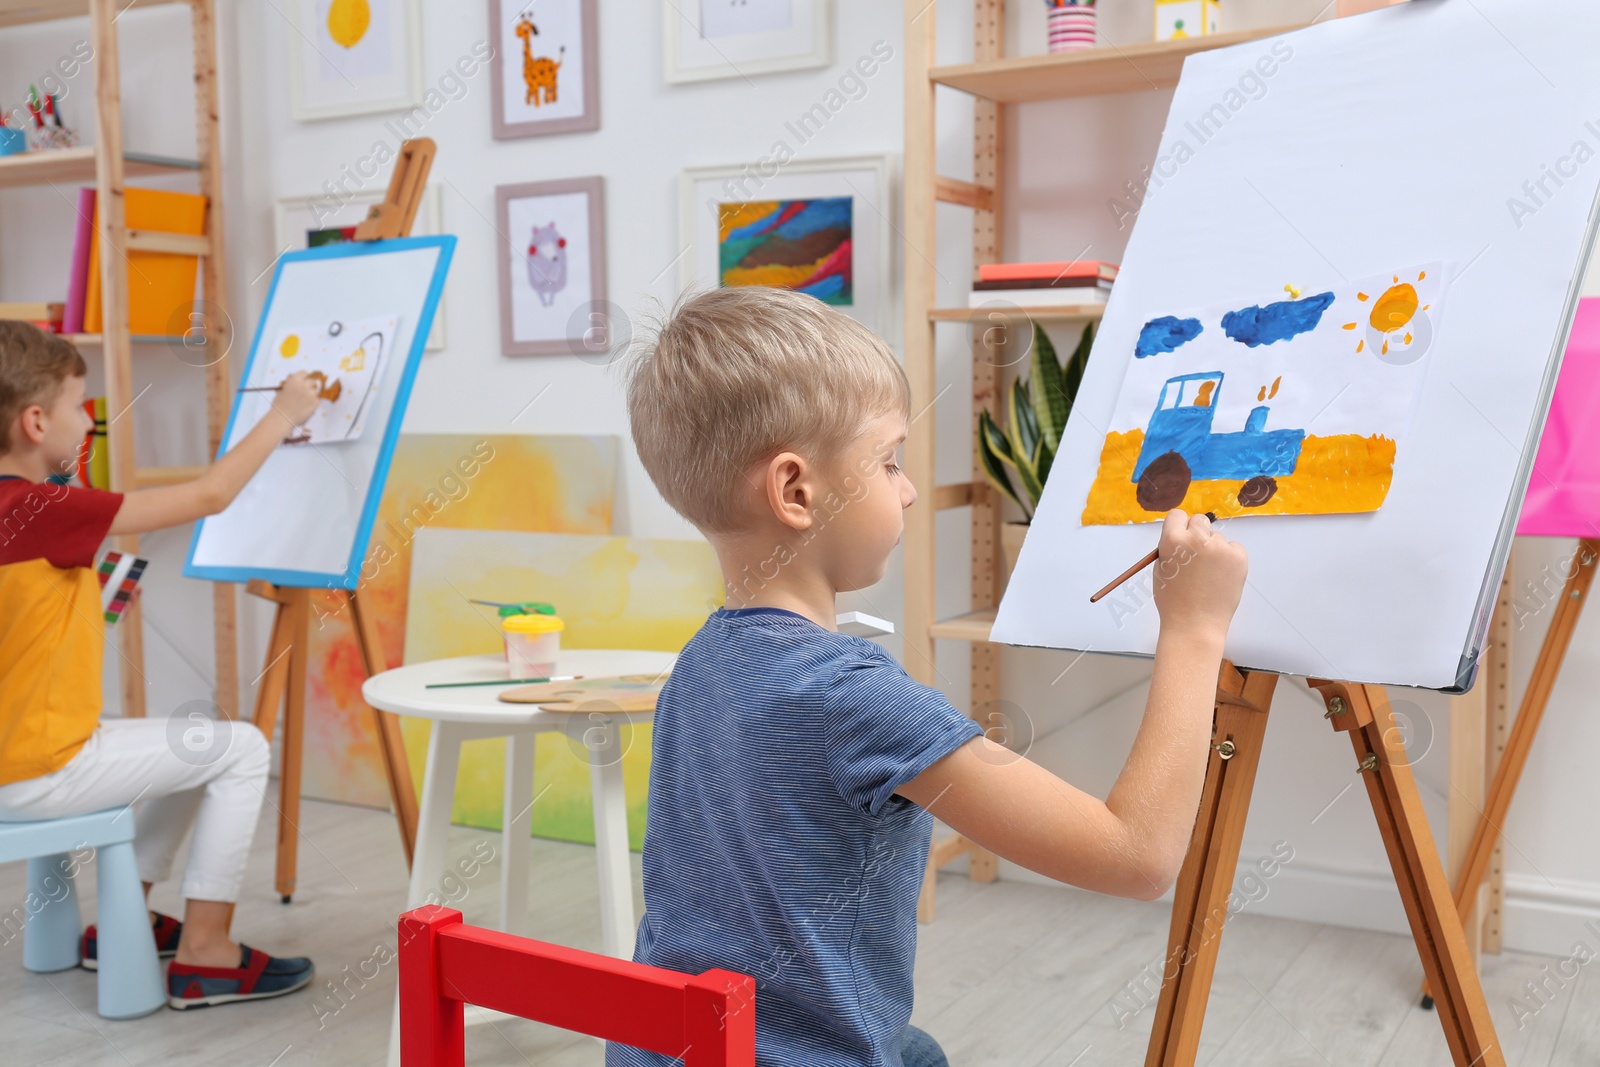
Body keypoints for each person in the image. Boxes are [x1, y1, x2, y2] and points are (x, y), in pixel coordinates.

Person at [608, 288, 1248, 1066]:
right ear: (795, 491)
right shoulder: (855, 698)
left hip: (664, 1052)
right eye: (889, 461)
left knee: (920, 1051)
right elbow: (1136, 855)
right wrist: (1194, 628)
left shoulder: (699, 664)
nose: (908, 486)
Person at [0, 320, 323, 1008]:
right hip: (38, 768)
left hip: (17, 757)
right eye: (79, 407)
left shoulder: (23, 512)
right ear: (34, 421)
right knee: (242, 748)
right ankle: (208, 950)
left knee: (200, 733)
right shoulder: (40, 508)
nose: (89, 422)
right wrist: (284, 413)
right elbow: (210, 496)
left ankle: (131, 914)